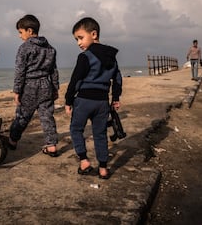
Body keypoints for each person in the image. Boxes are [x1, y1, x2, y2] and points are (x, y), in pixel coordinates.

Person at [65, 17, 122, 180]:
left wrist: (68, 101)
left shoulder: (85, 56)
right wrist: (116, 97)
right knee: (100, 134)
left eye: (80, 38)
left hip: (83, 101)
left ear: (94, 34)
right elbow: (117, 79)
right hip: (103, 102)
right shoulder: (112, 57)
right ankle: (103, 168)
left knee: (76, 129)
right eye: (76, 39)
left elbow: (75, 80)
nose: (78, 43)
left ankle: (84, 161)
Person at [8, 14, 60, 156]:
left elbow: (20, 71)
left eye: (21, 32)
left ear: (30, 31)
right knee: (47, 116)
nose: (20, 36)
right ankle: (51, 145)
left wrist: (16, 91)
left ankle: (12, 140)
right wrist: (55, 88)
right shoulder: (50, 49)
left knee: (23, 116)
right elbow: (54, 71)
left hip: (29, 87)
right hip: (46, 85)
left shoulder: (24, 48)